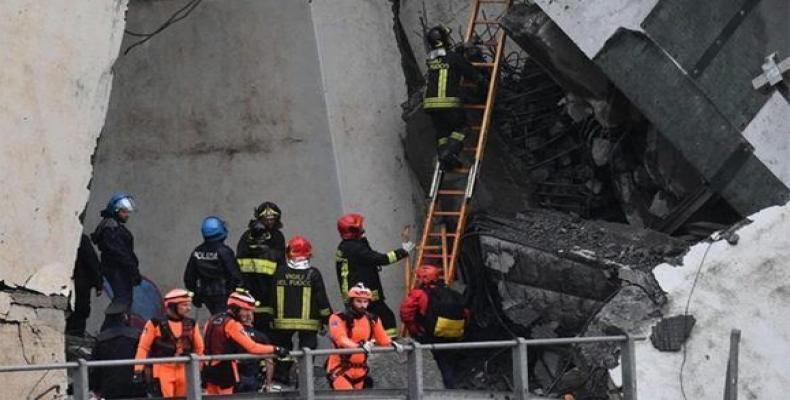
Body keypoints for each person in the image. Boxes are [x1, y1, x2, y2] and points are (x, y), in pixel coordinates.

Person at [336, 213, 414, 337]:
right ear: (353, 230)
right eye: (359, 228)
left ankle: (381, 344)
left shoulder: (345, 247)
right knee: (386, 318)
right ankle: (389, 347)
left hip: (357, 292)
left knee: (372, 320)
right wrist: (403, 251)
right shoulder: (355, 249)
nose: (362, 229)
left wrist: (362, 240)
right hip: (365, 293)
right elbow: (380, 259)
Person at [269, 236, 332, 384]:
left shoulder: (279, 272)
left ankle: (282, 377)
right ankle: (305, 379)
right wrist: (327, 320)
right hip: (309, 324)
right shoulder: (313, 274)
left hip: (282, 323)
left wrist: (271, 319)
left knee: (283, 350)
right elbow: (322, 300)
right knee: (308, 350)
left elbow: (271, 298)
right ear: (308, 254)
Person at [203, 290, 289, 395]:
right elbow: (253, 348)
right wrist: (276, 349)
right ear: (235, 308)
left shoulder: (212, 319)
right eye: (246, 310)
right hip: (225, 372)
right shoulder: (232, 324)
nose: (249, 314)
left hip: (208, 369)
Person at [422, 25, 484, 170]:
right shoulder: (454, 58)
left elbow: (446, 60)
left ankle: (445, 159)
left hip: (430, 106)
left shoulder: (430, 61)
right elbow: (471, 73)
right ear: (445, 40)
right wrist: (483, 81)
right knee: (463, 128)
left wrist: (462, 49)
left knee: (442, 133)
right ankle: (450, 152)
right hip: (448, 103)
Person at [400, 264, 468, 388]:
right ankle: (451, 389)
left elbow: (406, 313)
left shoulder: (419, 294)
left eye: (419, 277)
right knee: (447, 364)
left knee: (424, 364)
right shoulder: (451, 292)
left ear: (423, 278)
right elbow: (466, 313)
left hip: (428, 335)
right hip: (452, 335)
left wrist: (415, 330)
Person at [327, 283, 404, 390]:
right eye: (358, 301)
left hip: (361, 370)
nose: (362, 305)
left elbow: (383, 339)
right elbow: (340, 339)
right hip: (340, 368)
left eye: (365, 301)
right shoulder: (337, 318)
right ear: (351, 302)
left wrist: (392, 343)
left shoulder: (372, 319)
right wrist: (358, 346)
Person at [133, 289, 204, 398]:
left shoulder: (191, 324)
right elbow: (143, 347)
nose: (188, 308)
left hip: (184, 369)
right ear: (172, 306)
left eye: (189, 305)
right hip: (162, 369)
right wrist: (138, 369)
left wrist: (198, 368)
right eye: (184, 305)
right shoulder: (154, 323)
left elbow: (199, 348)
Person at [236, 201, 286, 333]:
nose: (269, 222)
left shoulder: (277, 236)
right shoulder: (247, 237)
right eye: (266, 219)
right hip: (251, 284)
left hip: (266, 285)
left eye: (272, 218)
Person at [92, 192, 141, 315]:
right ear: (115, 210)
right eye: (124, 212)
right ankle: (111, 329)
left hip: (119, 270)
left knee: (123, 301)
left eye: (128, 212)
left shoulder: (113, 226)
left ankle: (116, 330)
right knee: (122, 301)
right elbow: (120, 252)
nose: (127, 215)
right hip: (117, 270)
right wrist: (132, 269)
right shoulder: (111, 228)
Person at [184, 216, 242, 314]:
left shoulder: (198, 251)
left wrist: (195, 296)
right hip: (224, 295)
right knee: (225, 321)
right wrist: (238, 295)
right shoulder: (225, 251)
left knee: (216, 317)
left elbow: (189, 278)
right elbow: (235, 276)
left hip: (206, 295)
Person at [89, 304, 147, 399]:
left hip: (110, 387)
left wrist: (96, 388)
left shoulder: (102, 338)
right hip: (135, 386)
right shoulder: (137, 335)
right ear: (125, 317)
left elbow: (95, 368)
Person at [66, 234, 102, 336]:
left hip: (71, 283)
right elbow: (92, 260)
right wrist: (98, 283)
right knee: (80, 313)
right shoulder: (80, 238)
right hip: (81, 284)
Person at [236, 311, 276, 393]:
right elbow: (269, 362)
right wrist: (268, 384)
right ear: (251, 318)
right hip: (253, 376)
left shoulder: (232, 334)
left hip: (234, 377)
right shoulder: (261, 336)